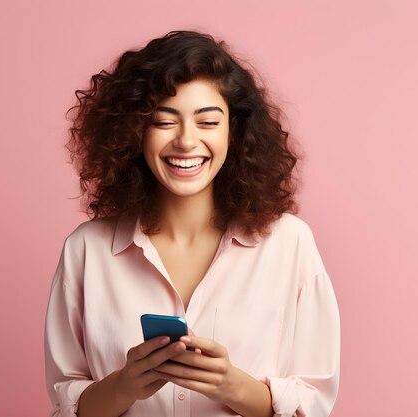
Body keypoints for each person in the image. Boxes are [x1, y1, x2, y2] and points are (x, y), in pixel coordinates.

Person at [44, 30, 340, 417]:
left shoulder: (290, 243)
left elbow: (314, 404)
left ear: (234, 132)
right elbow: (65, 406)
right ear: (134, 133)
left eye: (207, 122)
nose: (186, 141)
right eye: (164, 122)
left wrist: (232, 385)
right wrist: (126, 384)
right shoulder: (87, 250)